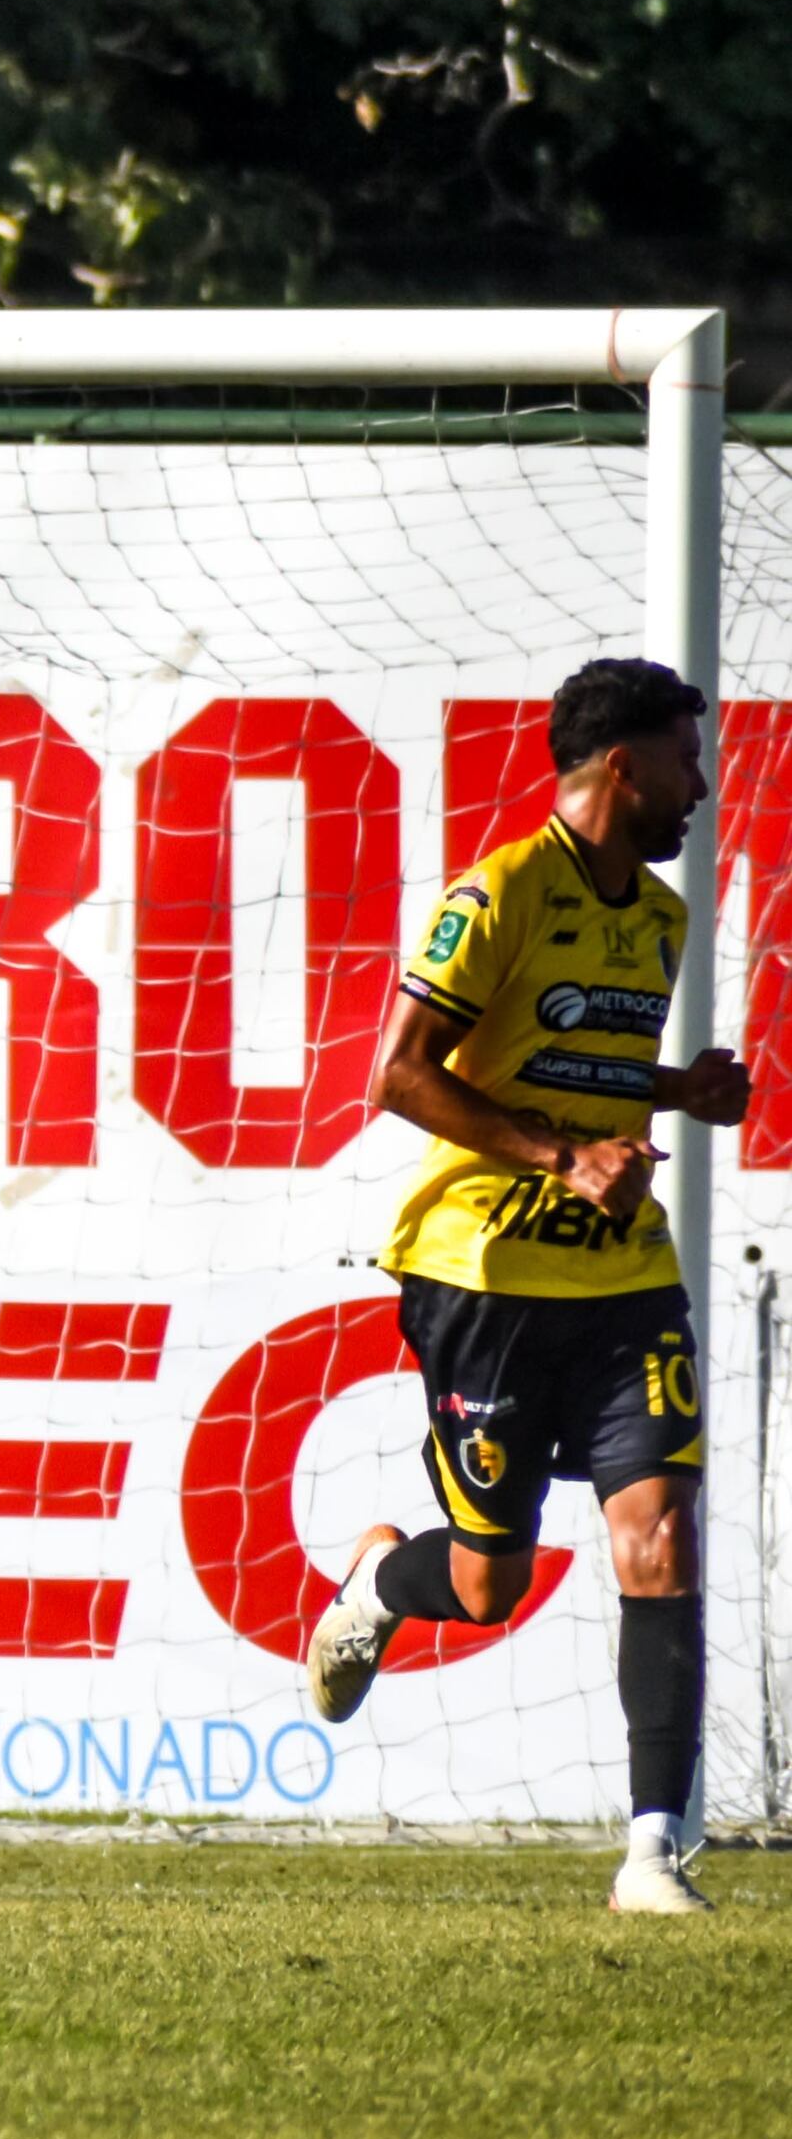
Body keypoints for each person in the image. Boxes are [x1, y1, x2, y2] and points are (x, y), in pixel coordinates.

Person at [305, 656, 747, 1914]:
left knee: (656, 1540)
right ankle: (382, 1578)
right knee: (486, 1585)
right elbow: (397, 1074)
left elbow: (572, 1066)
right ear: (621, 767)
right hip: (484, 1277)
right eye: (680, 761)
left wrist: (672, 1095)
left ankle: (650, 1851)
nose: (698, 788)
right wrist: (563, 1155)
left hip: (621, 1280)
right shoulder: (493, 894)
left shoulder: (656, 924)